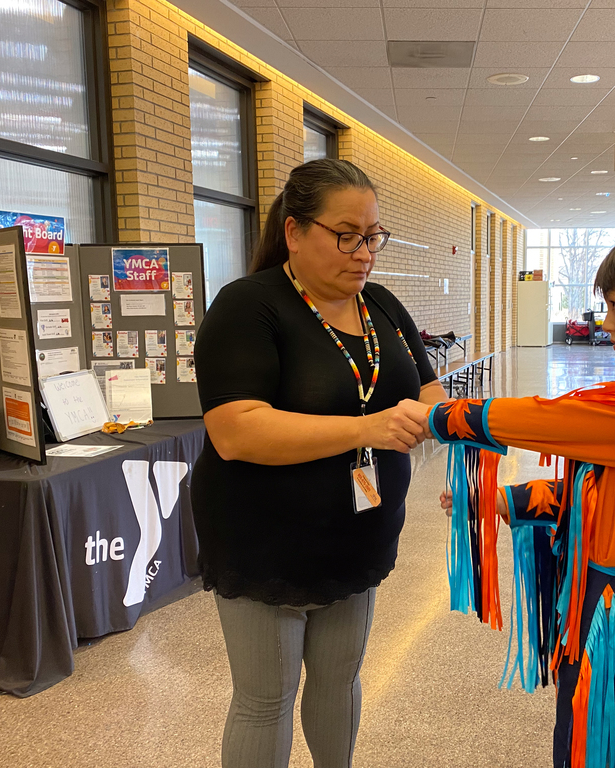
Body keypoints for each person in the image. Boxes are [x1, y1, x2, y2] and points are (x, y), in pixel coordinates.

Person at [433, 219, 615, 768]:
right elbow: (598, 495)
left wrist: (439, 415)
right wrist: (503, 501)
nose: (606, 322)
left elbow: (546, 419)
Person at [191, 159, 447, 768]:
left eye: (373, 236)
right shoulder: (249, 305)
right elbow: (236, 430)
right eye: (346, 235)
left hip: (360, 532)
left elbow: (431, 390)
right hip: (266, 540)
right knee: (265, 699)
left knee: (340, 680)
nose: (364, 253)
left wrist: (447, 420)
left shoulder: (380, 305)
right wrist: (368, 427)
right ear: (294, 232)